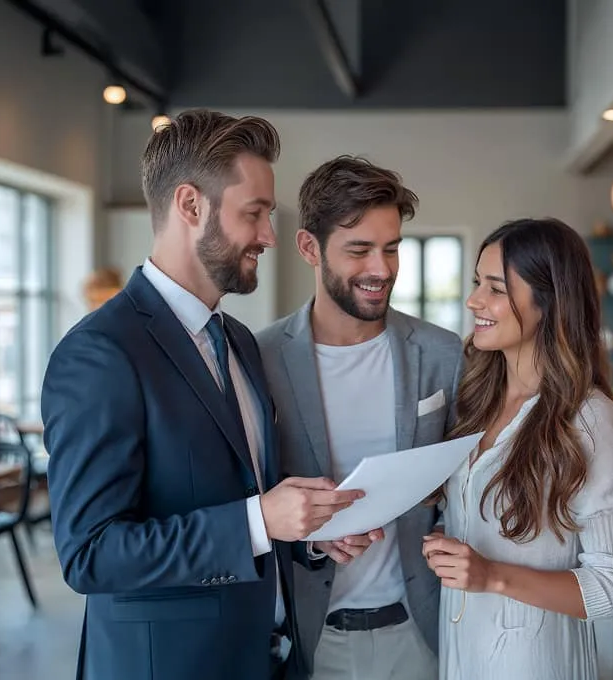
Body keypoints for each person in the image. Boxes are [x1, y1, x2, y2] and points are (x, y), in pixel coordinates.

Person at [41, 110, 363, 680]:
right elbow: (91, 554)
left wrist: (307, 532)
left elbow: (246, 497)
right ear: (191, 206)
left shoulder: (237, 340)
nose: (269, 235)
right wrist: (260, 521)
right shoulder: (100, 353)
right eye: (255, 214)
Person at [256, 155, 464, 680]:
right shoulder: (259, 360)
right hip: (310, 637)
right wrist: (310, 536)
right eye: (359, 250)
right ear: (309, 248)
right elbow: (248, 494)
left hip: (423, 632)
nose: (382, 269)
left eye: (391, 248)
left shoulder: (443, 353)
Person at [421, 217, 613, 679]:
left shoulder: (590, 420)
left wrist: (491, 575)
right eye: (477, 282)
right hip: (463, 653)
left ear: (549, 302)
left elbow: (611, 586)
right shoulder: (476, 398)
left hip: (537, 665)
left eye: (496, 289)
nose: (473, 300)